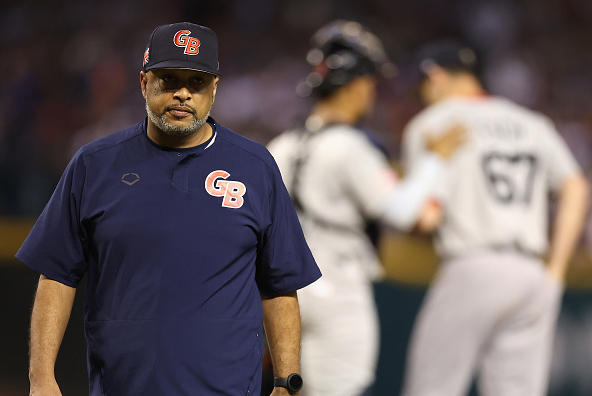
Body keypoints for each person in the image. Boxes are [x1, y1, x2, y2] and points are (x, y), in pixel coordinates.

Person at [17, 22, 322, 396]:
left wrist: (285, 383)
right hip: (122, 387)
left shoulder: (255, 166)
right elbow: (57, 275)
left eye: (196, 82)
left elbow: (280, 284)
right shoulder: (94, 164)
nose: (182, 93)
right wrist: (41, 377)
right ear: (144, 83)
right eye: (169, 79)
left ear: (213, 89)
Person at [267, 21, 465, 396]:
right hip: (338, 288)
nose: (371, 91)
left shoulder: (281, 145)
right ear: (356, 83)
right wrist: (435, 161)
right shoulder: (349, 147)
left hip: (285, 296)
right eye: (370, 81)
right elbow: (404, 213)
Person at [400, 40, 590, 396]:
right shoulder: (532, 122)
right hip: (533, 273)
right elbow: (576, 186)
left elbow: (424, 218)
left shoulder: (432, 124)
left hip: (473, 265)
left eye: (422, 85)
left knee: (431, 390)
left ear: (436, 76)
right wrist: (556, 270)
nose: (421, 94)